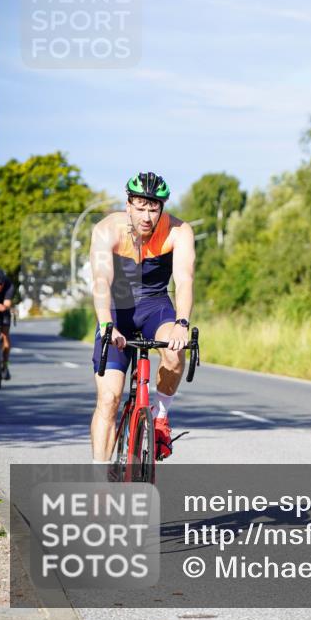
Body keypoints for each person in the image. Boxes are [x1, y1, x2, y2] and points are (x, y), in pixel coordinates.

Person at [89, 172, 195, 464]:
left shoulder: (179, 231)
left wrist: (182, 324)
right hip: (115, 308)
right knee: (109, 399)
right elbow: (101, 280)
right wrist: (105, 324)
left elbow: (184, 280)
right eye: (140, 206)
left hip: (155, 305)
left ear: (162, 207)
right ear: (128, 205)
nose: (147, 216)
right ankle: (99, 480)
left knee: (174, 356)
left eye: (154, 207)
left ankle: (159, 415)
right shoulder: (106, 230)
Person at [0, 268, 16, 380]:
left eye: (0, 284)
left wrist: (4, 307)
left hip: (3, 308)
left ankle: (5, 365)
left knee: (5, 335)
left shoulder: (9, 285)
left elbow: (7, 303)